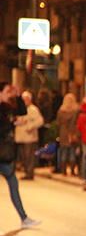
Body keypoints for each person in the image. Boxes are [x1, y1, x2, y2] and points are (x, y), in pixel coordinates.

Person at [0, 82, 39, 227]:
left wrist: (18, 95)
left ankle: (24, 218)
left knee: (13, 184)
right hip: (3, 153)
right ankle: (24, 218)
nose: (9, 94)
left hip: (5, 154)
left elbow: (22, 111)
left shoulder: (7, 108)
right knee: (12, 182)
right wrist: (10, 123)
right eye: (7, 91)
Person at [15, 90, 43, 180]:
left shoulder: (33, 109)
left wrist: (30, 127)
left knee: (29, 156)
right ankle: (26, 171)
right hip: (20, 137)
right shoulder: (19, 109)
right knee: (23, 156)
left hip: (29, 137)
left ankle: (29, 173)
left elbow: (40, 121)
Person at [56, 93, 81, 176]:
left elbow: (58, 123)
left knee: (63, 151)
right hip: (72, 132)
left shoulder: (61, 111)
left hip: (63, 132)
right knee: (72, 152)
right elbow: (77, 122)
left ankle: (63, 171)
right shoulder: (76, 110)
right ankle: (73, 171)